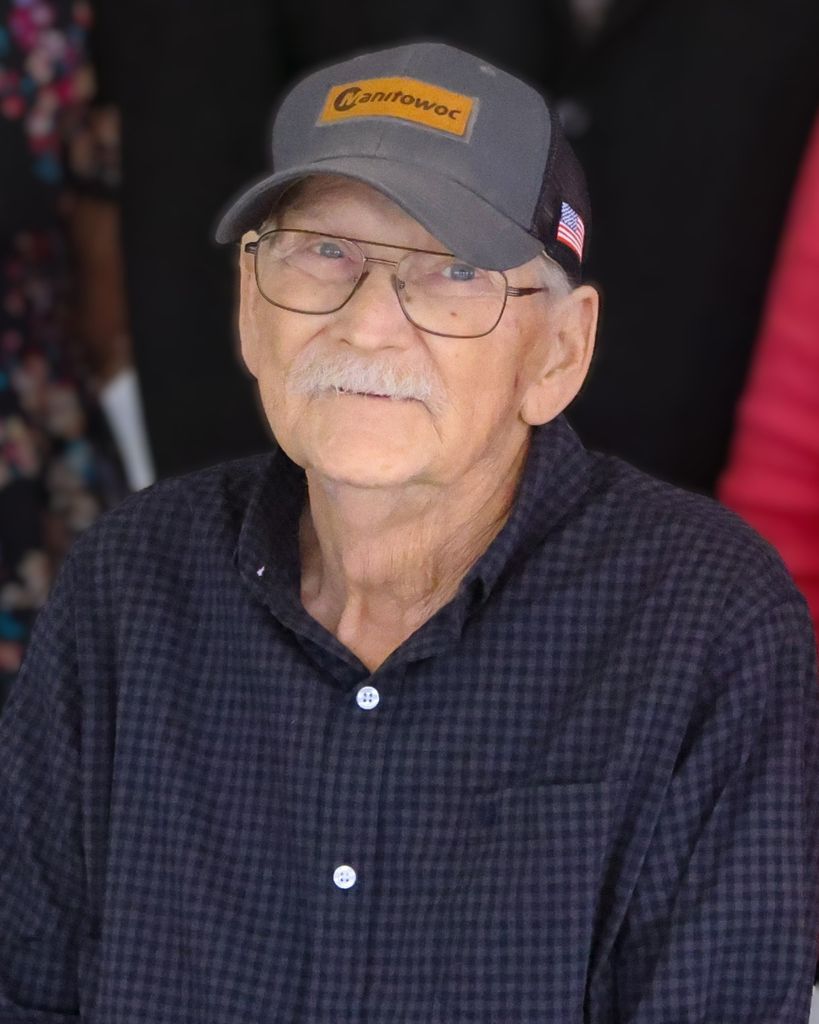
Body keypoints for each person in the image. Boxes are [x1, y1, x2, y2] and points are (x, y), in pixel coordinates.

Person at [0, 42, 816, 1023]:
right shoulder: (129, 585)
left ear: (560, 353)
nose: (369, 324)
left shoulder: (707, 626)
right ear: (252, 309)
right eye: (325, 252)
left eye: (453, 271)